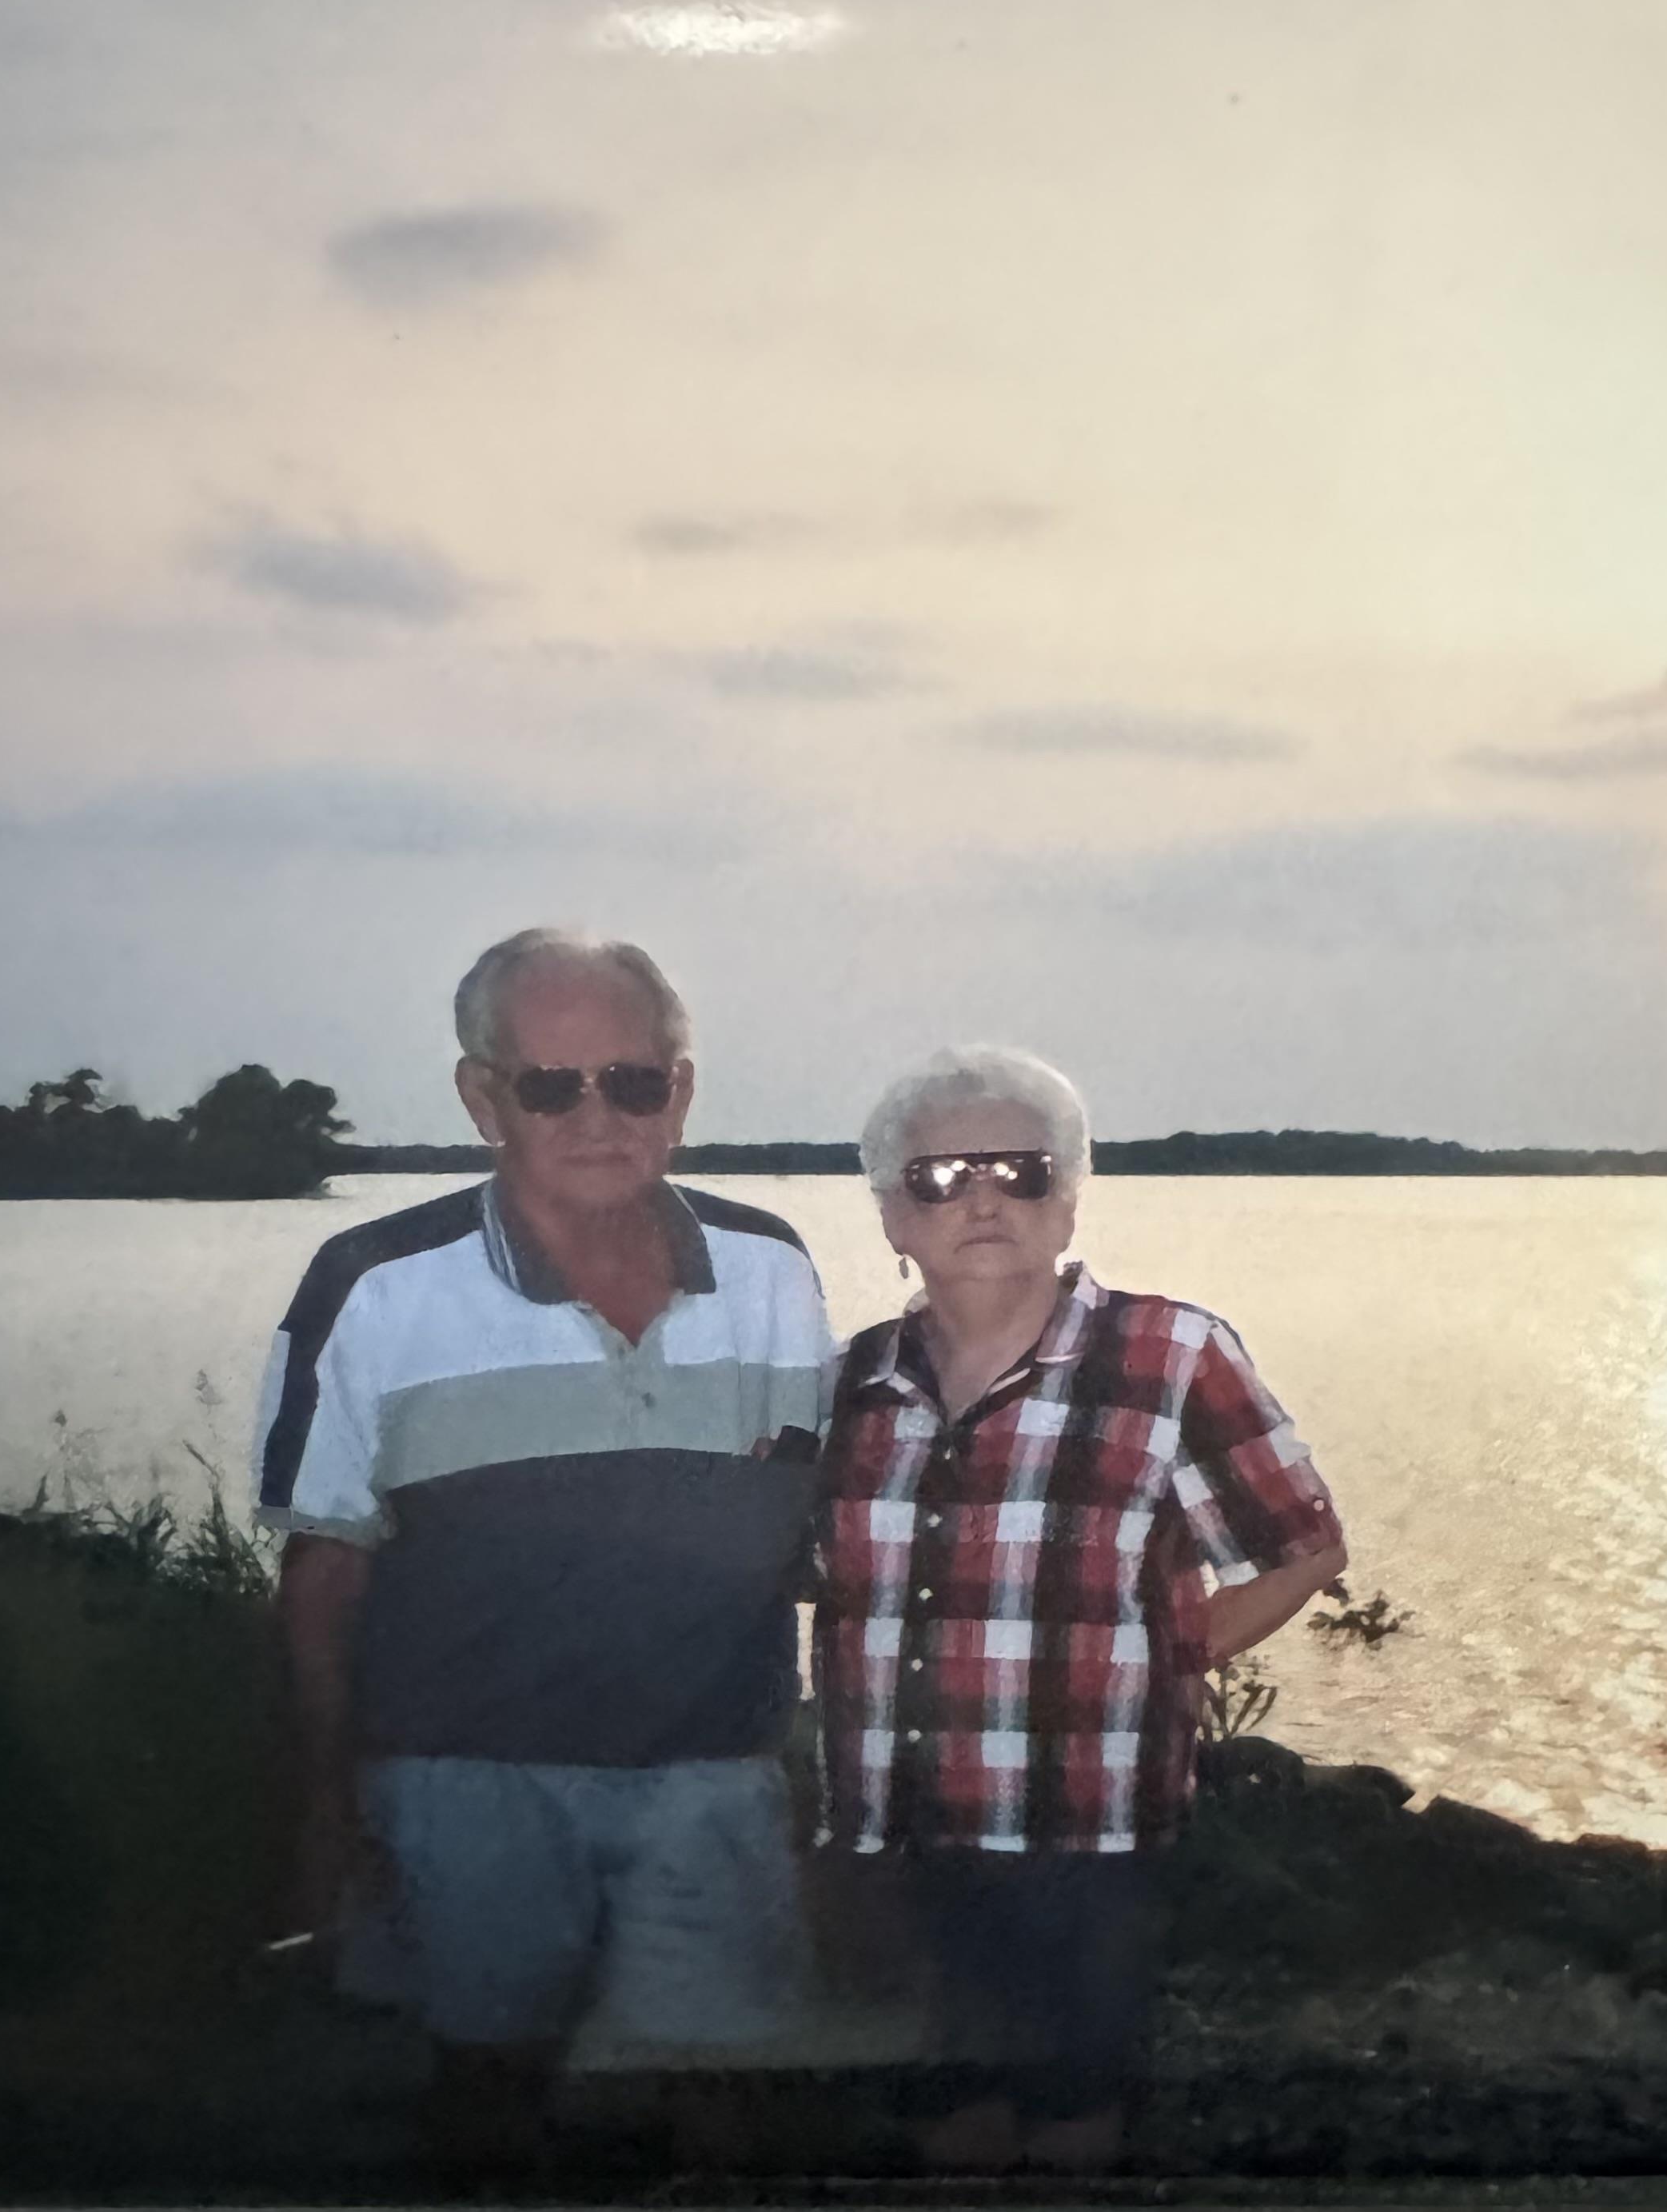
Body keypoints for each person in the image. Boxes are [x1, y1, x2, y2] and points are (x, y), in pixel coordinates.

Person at [253, 929, 832, 2173]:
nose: (597, 1114)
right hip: (463, 1780)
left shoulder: (774, 1270)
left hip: (713, 1775)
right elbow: (324, 1572)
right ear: (482, 1095)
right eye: (551, 1083)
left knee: (726, 2102)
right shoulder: (370, 1283)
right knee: (481, 2087)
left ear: (680, 1091)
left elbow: (813, 1532)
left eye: (632, 1080)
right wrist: (324, 1799)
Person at [812, 1045, 1348, 2171]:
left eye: (1019, 1168)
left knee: (1069, 2119)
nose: (984, 1198)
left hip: (1084, 1831)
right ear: (891, 1217)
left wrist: (1162, 1659)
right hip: (897, 1832)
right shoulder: (850, 1382)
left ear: (1070, 1194)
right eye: (939, 1177)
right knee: (940, 2122)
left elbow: (1302, 1549)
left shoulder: (1170, 1353)